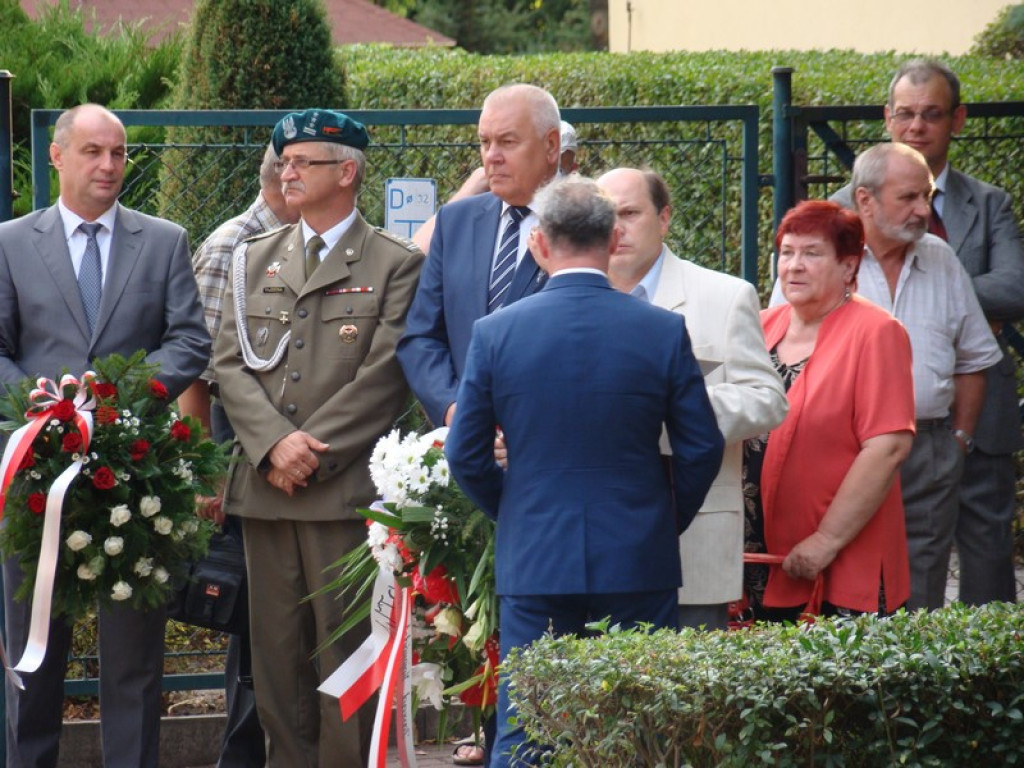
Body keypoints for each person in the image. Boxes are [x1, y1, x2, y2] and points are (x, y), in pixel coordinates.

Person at [445, 176, 724, 767]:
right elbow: (701, 446)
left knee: (529, 728)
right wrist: (662, 518)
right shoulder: (661, 330)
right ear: (614, 237)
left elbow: (466, 453)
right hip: (637, 553)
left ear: (540, 243)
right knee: (641, 727)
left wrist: (514, 508)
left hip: (536, 554)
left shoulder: (495, 332)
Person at [0, 103, 210, 768]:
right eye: (93, 151)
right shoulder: (9, 243)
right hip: (37, 474)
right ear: (57, 155)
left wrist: (116, 399)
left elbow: (189, 340)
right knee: (34, 653)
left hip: (135, 473)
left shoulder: (165, 241)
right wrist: (45, 409)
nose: (109, 165)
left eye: (118, 153)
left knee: (133, 661)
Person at [213, 109, 424, 766]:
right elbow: (228, 364)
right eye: (285, 160)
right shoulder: (253, 258)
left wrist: (305, 454)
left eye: (304, 161)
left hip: (342, 498)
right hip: (267, 493)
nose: (287, 171)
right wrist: (273, 447)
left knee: (348, 661)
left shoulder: (395, 263)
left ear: (348, 171)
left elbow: (387, 376)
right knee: (276, 666)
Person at [831, 60, 1024, 605]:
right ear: (887, 118)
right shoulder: (838, 213)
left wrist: (942, 300)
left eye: (932, 115)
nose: (916, 126)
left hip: (971, 412)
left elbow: (1015, 287)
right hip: (864, 431)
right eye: (906, 114)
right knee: (870, 554)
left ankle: (988, 654)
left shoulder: (988, 202)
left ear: (957, 120)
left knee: (984, 547)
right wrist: (960, 306)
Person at [597, 167, 787, 630]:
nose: (617, 229)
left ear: (664, 218)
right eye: (606, 216)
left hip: (692, 536)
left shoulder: (724, 296)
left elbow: (767, 399)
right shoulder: (568, 299)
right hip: (595, 542)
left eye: (630, 214)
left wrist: (678, 410)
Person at [177, 142, 299, 768]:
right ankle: (243, 755)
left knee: (283, 611)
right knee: (253, 613)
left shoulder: (302, 238)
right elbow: (197, 372)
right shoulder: (233, 243)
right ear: (284, 176)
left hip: (290, 438)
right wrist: (207, 472)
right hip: (237, 436)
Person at [846, 143, 1002, 611]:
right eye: (909, 197)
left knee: (922, 585)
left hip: (929, 447)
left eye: (927, 196)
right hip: (849, 449)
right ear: (865, 200)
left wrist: (959, 440)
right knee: (847, 575)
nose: (923, 210)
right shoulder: (825, 255)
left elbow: (974, 359)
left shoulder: (940, 258)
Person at [745, 199, 915, 622]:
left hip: (840, 558)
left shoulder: (877, 332)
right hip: (758, 558)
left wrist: (826, 540)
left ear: (848, 266)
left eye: (812, 253)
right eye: (787, 252)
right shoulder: (759, 324)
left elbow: (887, 447)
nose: (794, 266)